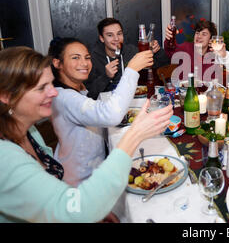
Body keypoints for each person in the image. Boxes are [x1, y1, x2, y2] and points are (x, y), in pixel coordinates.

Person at [0, 46, 173, 222]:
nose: (53, 92)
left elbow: (51, 199)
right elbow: (78, 212)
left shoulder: (30, 131)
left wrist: (96, 208)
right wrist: (135, 134)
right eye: (41, 88)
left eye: (51, 84)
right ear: (6, 95)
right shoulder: (5, 159)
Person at [48, 37, 154, 187]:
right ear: (57, 63)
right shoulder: (64, 97)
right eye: (75, 58)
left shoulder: (78, 87)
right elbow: (111, 115)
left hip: (93, 168)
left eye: (87, 57)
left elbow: (95, 109)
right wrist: (131, 70)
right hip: (80, 181)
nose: (84, 63)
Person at [85, 18, 170, 99]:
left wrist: (157, 51)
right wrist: (106, 76)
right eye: (110, 35)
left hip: (134, 101)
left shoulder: (131, 51)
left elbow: (164, 64)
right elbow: (90, 94)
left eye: (119, 33)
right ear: (102, 38)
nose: (116, 39)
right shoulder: (92, 59)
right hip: (107, 106)